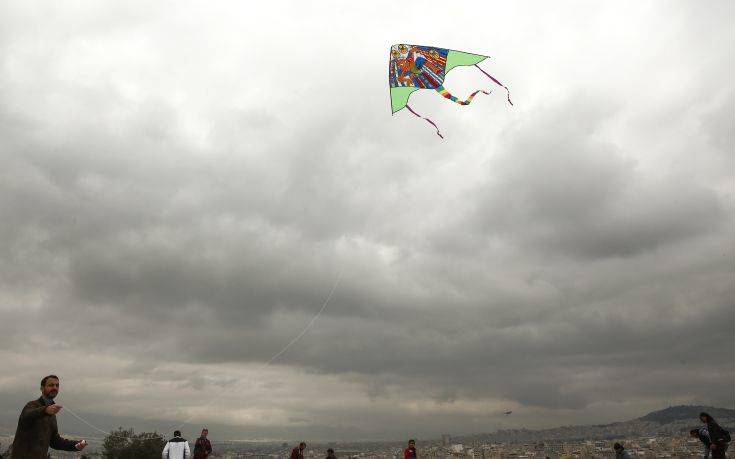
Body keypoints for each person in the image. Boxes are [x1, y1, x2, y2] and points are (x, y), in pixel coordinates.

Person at [11, 375, 87, 458]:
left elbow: (54, 441)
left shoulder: (52, 413)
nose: (55, 388)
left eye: (57, 385)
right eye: (51, 385)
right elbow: (27, 415)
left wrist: (75, 445)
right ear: (42, 388)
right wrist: (45, 410)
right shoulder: (32, 405)